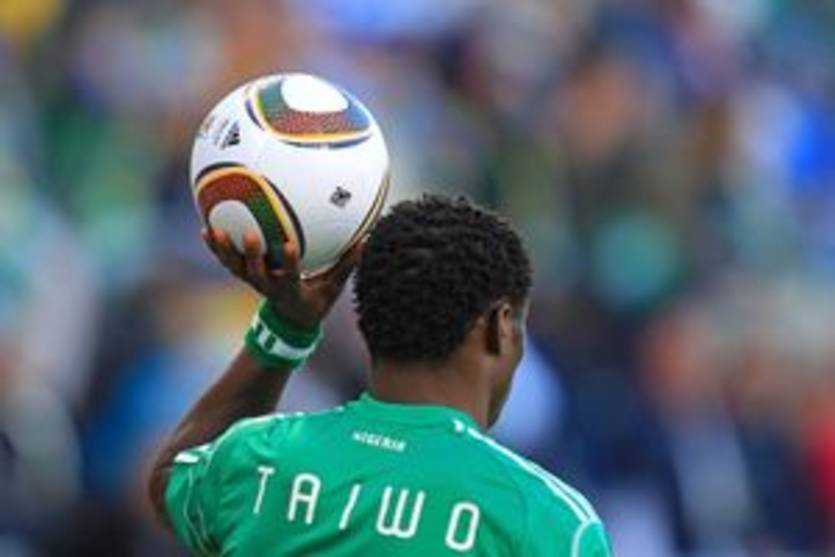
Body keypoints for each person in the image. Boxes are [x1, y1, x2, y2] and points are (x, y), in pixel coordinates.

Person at [149, 195, 612, 556]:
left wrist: (288, 328)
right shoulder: (550, 523)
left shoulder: (257, 459)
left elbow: (171, 479)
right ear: (500, 326)